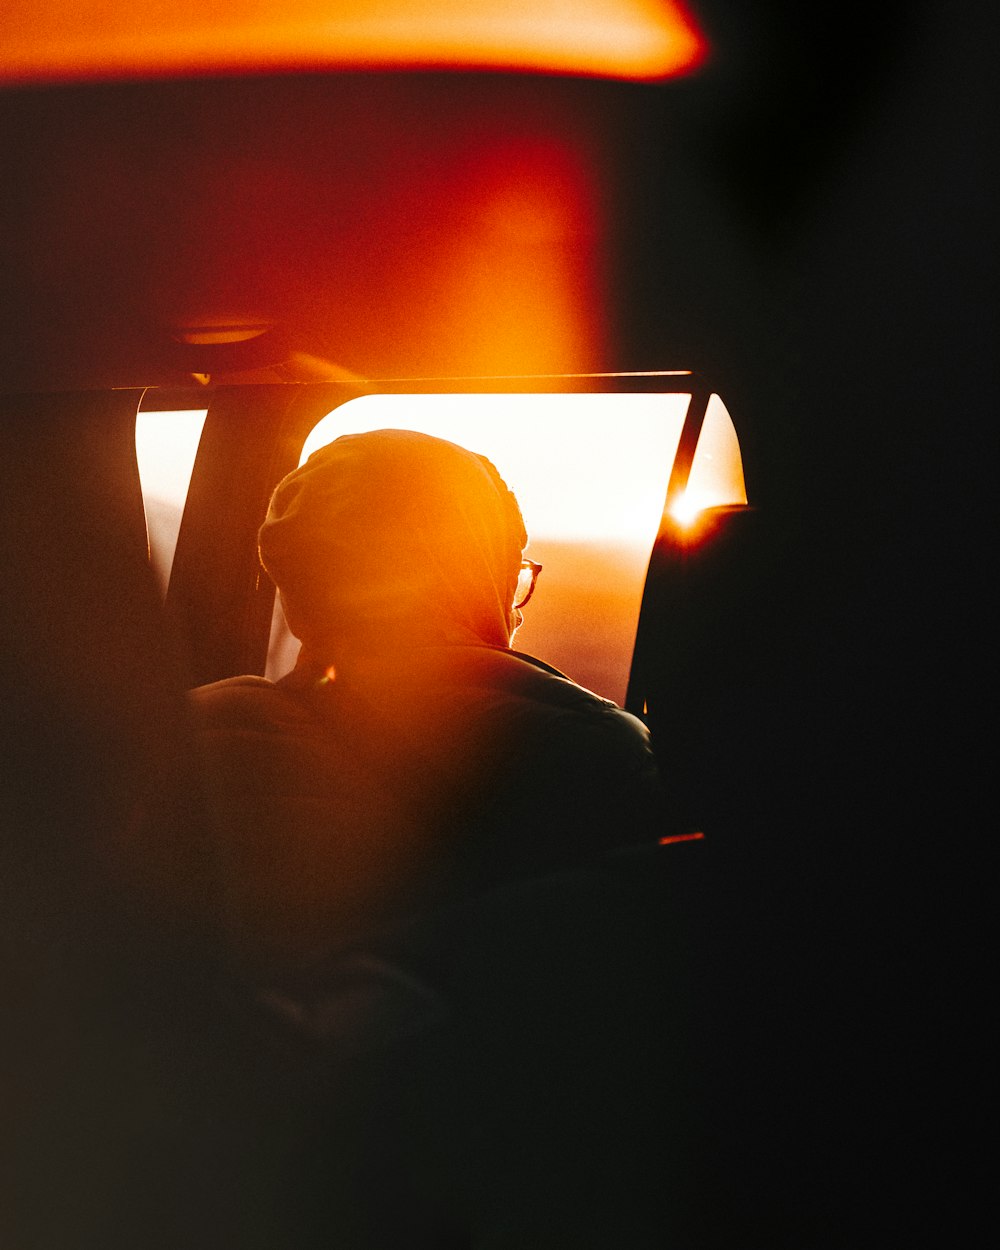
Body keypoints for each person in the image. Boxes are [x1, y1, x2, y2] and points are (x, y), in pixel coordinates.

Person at [192, 428, 666, 973]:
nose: (516, 612)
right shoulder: (596, 749)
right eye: (507, 571)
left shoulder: (192, 725)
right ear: (466, 570)